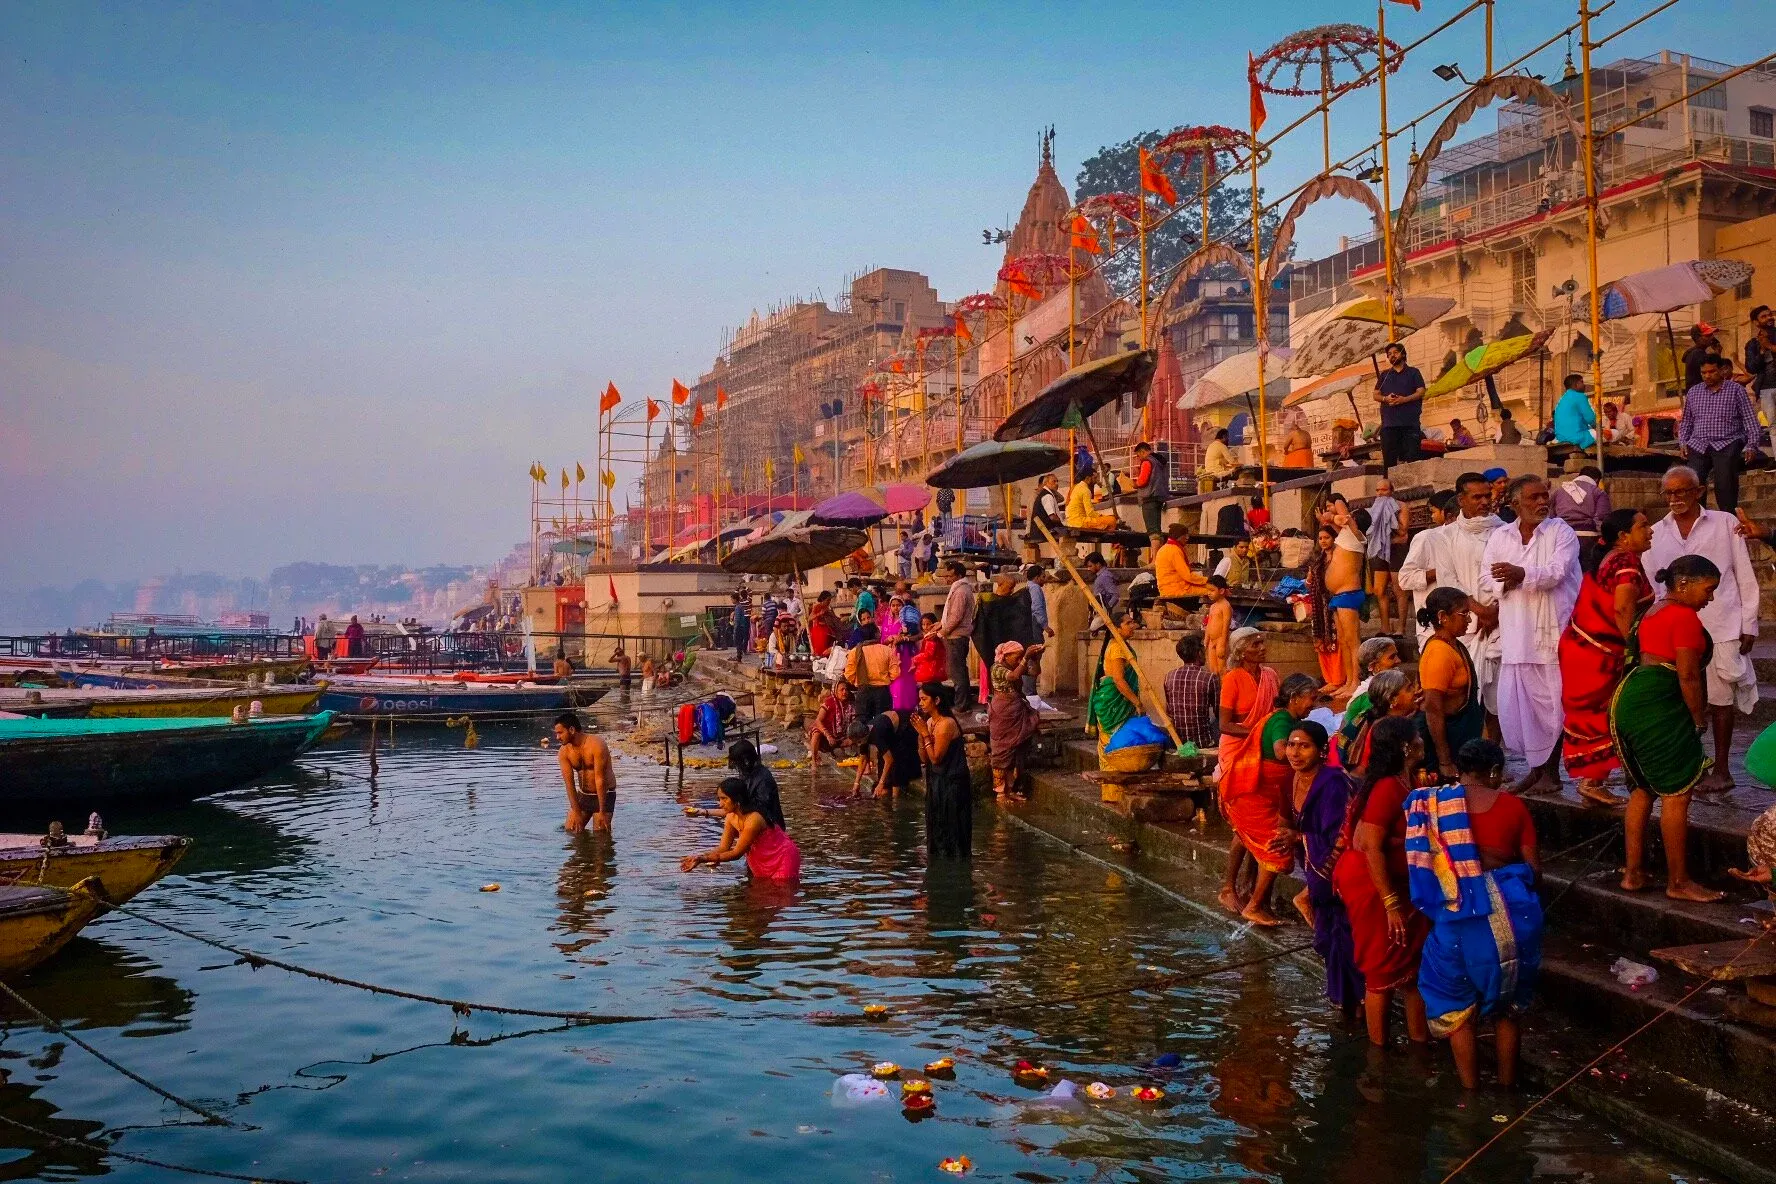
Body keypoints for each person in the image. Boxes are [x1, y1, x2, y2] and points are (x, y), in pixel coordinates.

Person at [1406, 738, 1542, 1089]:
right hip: (1509, 921)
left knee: (1456, 1010)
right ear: (1495, 772)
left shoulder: (1430, 803)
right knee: (1508, 1009)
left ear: (1461, 770)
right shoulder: (1513, 807)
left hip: (1455, 920)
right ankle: (1507, 1088)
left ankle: (1470, 1091)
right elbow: (1534, 871)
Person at [1611, 555, 1726, 902]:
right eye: (1708, 589)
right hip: (1657, 702)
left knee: (1642, 789)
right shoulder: (1684, 617)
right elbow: (1688, 675)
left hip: (1628, 698)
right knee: (1677, 793)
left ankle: (1633, 873)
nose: (1710, 598)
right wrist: (1697, 718)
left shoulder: (1654, 610)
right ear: (1685, 583)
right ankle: (1678, 882)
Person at [1649, 465, 1759, 798]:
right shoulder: (1656, 532)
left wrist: (1749, 622)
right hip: (1676, 629)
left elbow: (1743, 574)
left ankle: (1722, 769)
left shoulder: (1726, 523)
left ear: (1699, 492)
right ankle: (1693, 765)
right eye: (1669, 492)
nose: (1675, 498)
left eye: (1681, 491)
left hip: (1723, 622)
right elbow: (1655, 586)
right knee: (1684, 700)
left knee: (1722, 699)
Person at [1333, 715, 1432, 1048]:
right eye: (1418, 737)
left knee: (1413, 967)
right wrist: (1390, 904)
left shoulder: (1405, 783)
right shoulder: (1388, 787)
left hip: (1399, 887)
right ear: (1406, 747)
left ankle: (1419, 1039)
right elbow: (1371, 846)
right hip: (1375, 888)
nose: (1422, 742)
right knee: (1381, 970)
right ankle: (1379, 1050)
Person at [1479, 475, 1581, 795]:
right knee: (1522, 710)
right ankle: (1538, 772)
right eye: (1533, 497)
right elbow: (1486, 577)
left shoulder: (1561, 532)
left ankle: (1551, 773)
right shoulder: (1500, 537)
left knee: (1554, 707)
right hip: (1516, 635)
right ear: (1514, 505)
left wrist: (1519, 574)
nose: (1541, 502)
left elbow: (1556, 572)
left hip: (1552, 636)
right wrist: (1505, 581)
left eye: (1544, 496)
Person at [1559, 508, 1653, 808]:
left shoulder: (1611, 558)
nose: (1650, 531)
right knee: (1601, 715)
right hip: (1599, 652)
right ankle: (1592, 782)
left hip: (1583, 648)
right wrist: (1633, 651)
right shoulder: (1626, 563)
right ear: (1624, 537)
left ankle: (1593, 780)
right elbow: (1623, 609)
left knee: (1594, 714)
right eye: (1643, 526)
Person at [1288, 720, 1364, 1018]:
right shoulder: (1293, 779)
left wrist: (1299, 837)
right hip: (1315, 865)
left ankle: (1358, 1006)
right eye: (1292, 744)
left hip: (1338, 869)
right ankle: (1344, 1003)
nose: (1295, 752)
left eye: (1304, 746)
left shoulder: (1332, 783)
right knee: (1330, 941)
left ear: (1321, 751)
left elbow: (1340, 835)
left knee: (1345, 938)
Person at [1230, 672, 1318, 928]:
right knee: (1277, 848)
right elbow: (1281, 751)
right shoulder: (1281, 720)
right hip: (1255, 797)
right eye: (1310, 699)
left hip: (1263, 795)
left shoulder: (1284, 719)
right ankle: (1254, 906)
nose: (1313, 705)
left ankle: (1255, 899)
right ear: (1294, 698)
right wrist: (1306, 751)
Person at [1215, 627, 1281, 918]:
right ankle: (1229, 887)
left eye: (1263, 641)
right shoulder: (1232, 679)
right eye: (1256, 643)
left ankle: (1250, 886)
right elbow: (1225, 724)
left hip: (1262, 751)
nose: (1262, 647)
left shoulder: (1270, 676)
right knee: (1243, 824)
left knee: (1260, 820)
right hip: (1236, 752)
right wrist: (1256, 733)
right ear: (1242, 651)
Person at [1417, 588, 1487, 782]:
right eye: (1464, 614)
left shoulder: (1454, 644)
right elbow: (1433, 709)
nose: (1470, 620)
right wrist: (1445, 761)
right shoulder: (1439, 652)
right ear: (1443, 617)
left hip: (1461, 738)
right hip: (1446, 743)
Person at [679, 776, 801, 882]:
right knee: (761, 895)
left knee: (782, 892)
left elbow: (736, 853)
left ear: (737, 799)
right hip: (760, 858)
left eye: (724, 799)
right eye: (719, 799)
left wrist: (702, 859)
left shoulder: (754, 819)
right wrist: (698, 856)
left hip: (782, 856)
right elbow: (723, 848)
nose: (720, 804)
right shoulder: (731, 817)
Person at [1679, 355, 1760, 514]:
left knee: (1724, 486)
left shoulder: (1736, 390)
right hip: (1699, 444)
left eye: (1712, 371)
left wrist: (1752, 445)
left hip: (1727, 442)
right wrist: (1682, 442)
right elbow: (1686, 421)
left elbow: (1750, 419)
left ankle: (1729, 523)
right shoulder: (1694, 392)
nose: (1707, 376)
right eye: (1704, 373)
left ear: (1721, 370)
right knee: (1692, 485)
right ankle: (1696, 522)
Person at [913, 682, 972, 858]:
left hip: (953, 784)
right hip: (937, 783)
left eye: (924, 699)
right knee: (936, 827)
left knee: (953, 829)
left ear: (937, 700)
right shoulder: (930, 722)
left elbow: (936, 758)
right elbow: (924, 758)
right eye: (919, 700)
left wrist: (925, 734)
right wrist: (920, 735)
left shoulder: (946, 724)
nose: (921, 703)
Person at [1395, 490, 1457, 643]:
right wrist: (1442, 572)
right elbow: (1405, 579)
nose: (1432, 516)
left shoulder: (1472, 538)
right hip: (1432, 626)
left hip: (1464, 625)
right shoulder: (1427, 537)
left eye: (1433, 512)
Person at [1338, 668, 1421, 777]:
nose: (1415, 691)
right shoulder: (1387, 729)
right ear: (1392, 700)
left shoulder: (1376, 717)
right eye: (1409, 689)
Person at [987, 640, 1044, 799]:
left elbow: (1034, 673)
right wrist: (1025, 657)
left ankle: (1012, 790)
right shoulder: (997, 668)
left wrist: (1036, 659)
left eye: (1020, 657)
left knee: (1017, 749)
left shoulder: (1018, 664)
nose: (1019, 660)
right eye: (1016, 657)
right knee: (1001, 750)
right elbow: (1013, 676)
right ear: (1005, 656)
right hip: (1002, 711)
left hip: (1017, 708)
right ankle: (1000, 792)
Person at [1325, 500, 1368, 700]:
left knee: (1352, 641)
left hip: (1349, 594)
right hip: (1339, 595)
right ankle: (1349, 681)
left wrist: (1333, 511)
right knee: (1343, 641)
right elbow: (1339, 523)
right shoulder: (1345, 537)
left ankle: (1356, 682)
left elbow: (1343, 512)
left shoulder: (1356, 535)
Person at [1089, 609, 1146, 746]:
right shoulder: (1117, 649)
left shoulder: (1122, 645)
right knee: (1115, 744)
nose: (1133, 626)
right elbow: (1119, 680)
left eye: (1132, 622)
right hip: (1114, 703)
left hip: (1119, 701)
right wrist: (1137, 703)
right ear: (1116, 628)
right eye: (1128, 623)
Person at [553, 711, 615, 834]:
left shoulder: (596, 744)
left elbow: (600, 779)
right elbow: (569, 785)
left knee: (600, 837)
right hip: (584, 795)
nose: (557, 737)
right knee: (571, 830)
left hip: (604, 794)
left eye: (560, 733)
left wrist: (602, 811)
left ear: (571, 730)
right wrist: (576, 812)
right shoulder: (564, 752)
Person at [1163, 632, 1221, 750]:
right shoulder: (1209, 678)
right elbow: (1219, 712)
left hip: (1177, 741)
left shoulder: (1169, 676)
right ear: (1199, 653)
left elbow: (1169, 711)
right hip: (1202, 742)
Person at [1366, 479, 1409, 636]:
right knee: (1379, 590)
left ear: (1391, 491)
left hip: (1397, 549)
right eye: (1377, 490)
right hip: (1379, 550)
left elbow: (1403, 533)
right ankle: (1385, 627)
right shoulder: (1374, 508)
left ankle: (1401, 628)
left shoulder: (1401, 506)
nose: (1380, 494)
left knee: (1399, 590)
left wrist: (1389, 517)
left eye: (1383, 490)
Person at [1375, 342, 1427, 468]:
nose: (1392, 356)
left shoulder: (1413, 372)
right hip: (1389, 425)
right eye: (1389, 354)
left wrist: (1404, 399)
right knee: (1389, 462)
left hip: (1409, 424)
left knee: (1412, 460)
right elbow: (1375, 394)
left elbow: (1421, 391)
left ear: (1403, 354)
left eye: (1395, 352)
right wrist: (1385, 399)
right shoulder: (1384, 375)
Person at [855, 704, 922, 800]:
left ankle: (895, 800)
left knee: (897, 761)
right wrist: (856, 783)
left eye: (859, 742)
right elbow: (862, 760)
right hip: (890, 731)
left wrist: (881, 783)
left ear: (864, 737)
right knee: (883, 763)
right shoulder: (862, 736)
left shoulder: (876, 734)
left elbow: (889, 760)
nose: (858, 744)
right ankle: (887, 788)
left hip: (904, 726)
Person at [1306, 526, 1343, 690]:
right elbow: (1309, 581)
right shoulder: (1317, 559)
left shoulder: (1339, 557)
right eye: (1320, 538)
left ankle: (1338, 679)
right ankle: (1329, 679)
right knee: (1321, 641)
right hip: (1318, 604)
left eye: (1326, 537)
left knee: (1336, 641)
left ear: (1334, 539)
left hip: (1333, 602)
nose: (1323, 541)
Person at [938, 561, 978, 711]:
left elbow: (956, 617)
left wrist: (943, 632)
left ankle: (961, 705)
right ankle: (962, 702)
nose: (947, 579)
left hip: (957, 636)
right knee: (958, 670)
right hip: (956, 635)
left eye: (950, 575)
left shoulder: (961, 591)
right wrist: (939, 625)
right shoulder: (958, 589)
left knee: (957, 673)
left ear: (959, 576)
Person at [843, 620, 900, 723]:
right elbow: (895, 673)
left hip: (863, 692)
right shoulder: (886, 650)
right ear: (876, 635)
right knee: (883, 724)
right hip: (882, 693)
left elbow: (849, 675)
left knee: (862, 725)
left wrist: (859, 682)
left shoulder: (854, 652)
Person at [880, 594, 920, 713]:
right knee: (894, 681)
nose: (896, 608)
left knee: (905, 681)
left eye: (898, 605)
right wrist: (890, 639)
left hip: (906, 654)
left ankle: (909, 708)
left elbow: (917, 635)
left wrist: (903, 638)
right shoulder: (886, 621)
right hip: (891, 655)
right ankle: (896, 709)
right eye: (893, 605)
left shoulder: (908, 620)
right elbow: (882, 639)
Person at [1154, 522, 1210, 605]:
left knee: (1209, 587)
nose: (1187, 538)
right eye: (1185, 535)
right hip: (1177, 590)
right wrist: (1208, 580)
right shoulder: (1174, 550)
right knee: (1212, 591)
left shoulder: (1165, 548)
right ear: (1178, 537)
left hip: (1169, 589)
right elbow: (1187, 576)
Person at [1745, 305, 1776, 449]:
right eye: (1764, 316)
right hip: (1766, 389)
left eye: (1770, 314)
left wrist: (1770, 346)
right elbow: (1751, 367)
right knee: (1773, 428)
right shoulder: (1752, 344)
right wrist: (1762, 351)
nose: (1769, 317)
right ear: (1756, 322)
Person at [807, 680, 857, 765]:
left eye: (846, 690)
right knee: (816, 732)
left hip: (841, 737)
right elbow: (818, 720)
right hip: (826, 737)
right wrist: (828, 735)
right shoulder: (829, 702)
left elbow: (855, 723)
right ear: (835, 691)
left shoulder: (850, 705)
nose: (845, 692)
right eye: (842, 690)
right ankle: (814, 761)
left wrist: (850, 739)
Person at [1552, 465, 1612, 535]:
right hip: (1588, 534)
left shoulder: (1559, 491)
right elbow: (1602, 517)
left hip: (1561, 533)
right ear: (1596, 480)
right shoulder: (1598, 492)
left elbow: (1551, 515)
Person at [1130, 441, 1168, 546]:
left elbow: (1142, 480)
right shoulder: (1158, 462)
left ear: (1142, 452)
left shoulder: (1147, 462)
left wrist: (1134, 484)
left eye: (1138, 455)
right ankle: (1159, 556)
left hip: (1149, 498)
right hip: (1160, 497)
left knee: (1153, 531)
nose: (1139, 458)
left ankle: (1155, 558)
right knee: (1157, 529)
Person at [1551, 372, 1598, 449]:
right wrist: (1599, 429)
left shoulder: (1562, 399)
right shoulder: (1580, 396)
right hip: (1576, 437)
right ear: (1576, 384)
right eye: (1582, 382)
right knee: (1614, 433)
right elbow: (1591, 419)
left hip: (1561, 438)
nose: (1584, 385)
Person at [1681, 321, 1723, 390]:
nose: (1712, 337)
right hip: (1699, 395)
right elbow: (1716, 374)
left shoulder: (1694, 352)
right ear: (1698, 338)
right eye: (1708, 335)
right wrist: (1717, 354)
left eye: (1712, 334)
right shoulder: (1698, 354)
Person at [1203, 575, 1232, 675]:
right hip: (1211, 640)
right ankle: (1216, 689)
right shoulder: (1212, 606)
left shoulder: (1225, 606)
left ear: (1221, 591)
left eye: (1212, 590)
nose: (1209, 593)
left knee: (1222, 669)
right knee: (1213, 670)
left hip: (1220, 639)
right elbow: (1209, 624)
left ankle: (1223, 689)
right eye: (1208, 590)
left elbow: (1226, 625)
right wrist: (1205, 641)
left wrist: (1223, 644)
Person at [1083, 552, 1119, 616]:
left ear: (1098, 564)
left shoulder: (1105, 576)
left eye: (1090, 566)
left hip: (1103, 614)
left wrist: (1106, 609)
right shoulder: (1101, 576)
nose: (1089, 569)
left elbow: (1115, 595)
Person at [1031, 473, 1064, 540]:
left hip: (1040, 530)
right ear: (1046, 483)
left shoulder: (1047, 493)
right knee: (1068, 534)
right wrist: (1062, 523)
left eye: (1057, 481)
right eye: (1054, 481)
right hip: (1043, 531)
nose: (1057, 483)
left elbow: (1061, 498)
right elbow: (1052, 517)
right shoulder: (1047, 496)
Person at [808, 591, 839, 658]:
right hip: (819, 630)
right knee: (820, 650)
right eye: (828, 600)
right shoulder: (816, 606)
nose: (829, 602)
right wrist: (820, 613)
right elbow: (810, 618)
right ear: (823, 599)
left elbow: (833, 616)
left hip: (827, 629)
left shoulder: (828, 607)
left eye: (830, 600)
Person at [730, 592, 751, 663]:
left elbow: (738, 620)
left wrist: (735, 628)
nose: (731, 600)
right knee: (739, 642)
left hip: (739, 627)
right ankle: (739, 656)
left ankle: (739, 656)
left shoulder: (738, 607)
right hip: (741, 627)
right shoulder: (739, 607)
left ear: (735, 599)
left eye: (732, 599)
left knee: (738, 642)